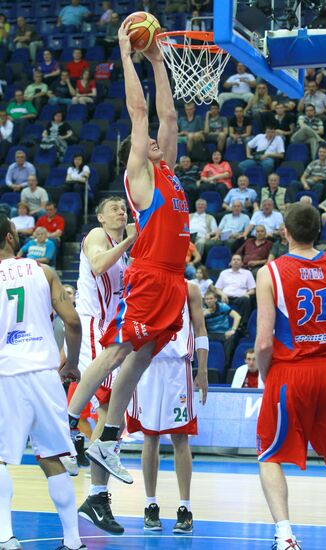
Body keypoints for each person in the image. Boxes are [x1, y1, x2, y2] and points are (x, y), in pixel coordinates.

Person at [67, 22, 193, 481]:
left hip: (174, 280)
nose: (159, 138)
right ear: (139, 152)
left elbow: (169, 117)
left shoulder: (171, 174)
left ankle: (108, 438)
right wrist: (126, 55)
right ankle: (69, 423)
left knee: (141, 356)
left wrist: (159, 61)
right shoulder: (141, 175)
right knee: (119, 350)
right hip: (151, 273)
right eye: (150, 140)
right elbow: (141, 112)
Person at [255, 202, 326, 550]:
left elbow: (263, 341)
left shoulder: (270, 272)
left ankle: (286, 535)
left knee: (269, 455)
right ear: (318, 232)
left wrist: (265, 376)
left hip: (291, 373)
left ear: (284, 231)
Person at [0, 214, 86, 550]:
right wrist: (73, 365)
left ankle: (6, 536)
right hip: (45, 374)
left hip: (6, 373)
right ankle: (73, 541)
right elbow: (74, 323)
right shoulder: (44, 271)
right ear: (10, 238)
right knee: (53, 457)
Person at [73, 197, 136, 534]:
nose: (120, 211)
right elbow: (97, 265)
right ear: (100, 216)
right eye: (113, 208)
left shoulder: (124, 249)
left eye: (122, 208)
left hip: (109, 327)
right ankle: (69, 430)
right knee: (109, 409)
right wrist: (131, 238)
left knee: (113, 412)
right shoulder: (98, 235)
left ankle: (97, 497)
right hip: (94, 325)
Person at [126, 282, 208, 533]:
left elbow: (201, 329)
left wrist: (202, 370)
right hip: (147, 365)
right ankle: (150, 505)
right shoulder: (143, 284)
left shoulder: (190, 289)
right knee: (150, 438)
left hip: (177, 367)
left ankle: (185, 508)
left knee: (180, 438)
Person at [203, 289, 241, 375]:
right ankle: (199, 366)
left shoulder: (223, 306)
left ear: (215, 299)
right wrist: (202, 316)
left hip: (223, 333)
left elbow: (237, 316)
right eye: (207, 299)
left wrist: (233, 330)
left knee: (231, 338)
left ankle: (226, 366)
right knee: (198, 339)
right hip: (210, 333)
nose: (209, 301)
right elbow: (195, 325)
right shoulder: (202, 310)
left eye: (211, 298)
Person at [214, 253, 256, 325]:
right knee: (211, 299)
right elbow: (217, 289)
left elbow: (253, 290)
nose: (236, 261)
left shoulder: (247, 273)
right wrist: (222, 294)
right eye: (234, 260)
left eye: (238, 260)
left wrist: (247, 294)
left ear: (242, 263)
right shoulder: (224, 273)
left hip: (240, 299)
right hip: (225, 298)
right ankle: (216, 323)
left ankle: (243, 324)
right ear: (230, 262)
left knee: (246, 300)